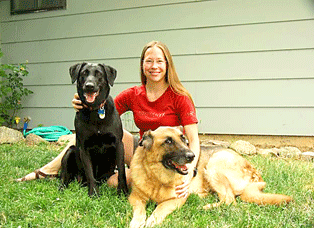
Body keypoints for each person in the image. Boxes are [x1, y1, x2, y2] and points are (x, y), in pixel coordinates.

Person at [17, 41, 200, 198]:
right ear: (142, 65)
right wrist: (83, 103)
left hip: (168, 151)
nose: (154, 66)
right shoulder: (134, 94)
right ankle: (48, 170)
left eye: (160, 61)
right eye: (149, 61)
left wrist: (190, 170)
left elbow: (193, 140)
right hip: (142, 147)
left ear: (168, 65)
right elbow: (103, 107)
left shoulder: (179, 97)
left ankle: (138, 173)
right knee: (85, 131)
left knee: (114, 182)